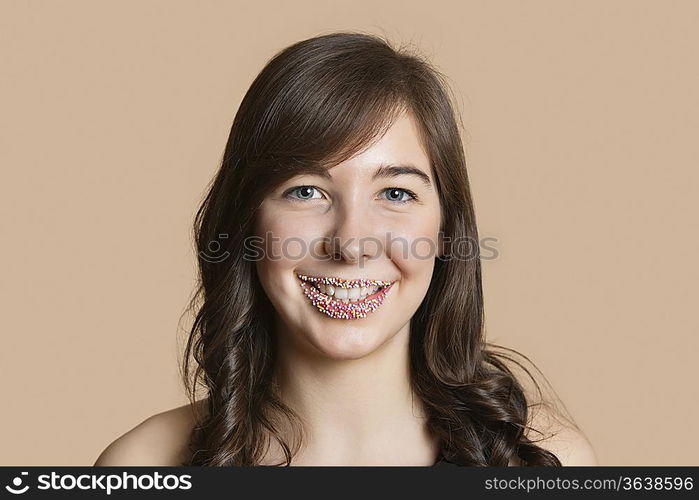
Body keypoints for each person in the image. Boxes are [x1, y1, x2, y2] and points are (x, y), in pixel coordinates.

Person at [94, 31, 597, 467]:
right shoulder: (144, 466)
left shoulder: (544, 458)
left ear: (446, 231)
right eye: (306, 191)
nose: (351, 242)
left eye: (396, 193)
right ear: (247, 222)